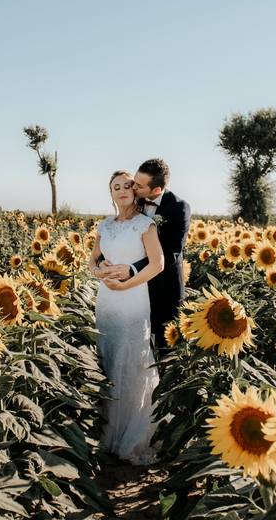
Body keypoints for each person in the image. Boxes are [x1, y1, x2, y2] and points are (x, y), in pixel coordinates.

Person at [88, 170, 165, 465]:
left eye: (126, 185)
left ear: (135, 190)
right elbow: (92, 260)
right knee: (107, 359)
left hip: (132, 301)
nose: (121, 190)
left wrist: (126, 283)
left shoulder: (144, 225)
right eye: (115, 187)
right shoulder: (104, 226)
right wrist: (100, 273)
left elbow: (157, 265)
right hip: (106, 302)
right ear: (111, 193)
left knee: (131, 362)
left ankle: (131, 437)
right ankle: (106, 433)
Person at [100, 158, 191, 350]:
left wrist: (132, 270)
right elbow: (117, 236)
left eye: (138, 185)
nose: (133, 187)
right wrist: (103, 263)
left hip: (164, 287)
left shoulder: (178, 208)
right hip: (133, 291)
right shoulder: (135, 199)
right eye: (134, 180)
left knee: (166, 347)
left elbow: (171, 252)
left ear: (156, 190)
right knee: (133, 345)